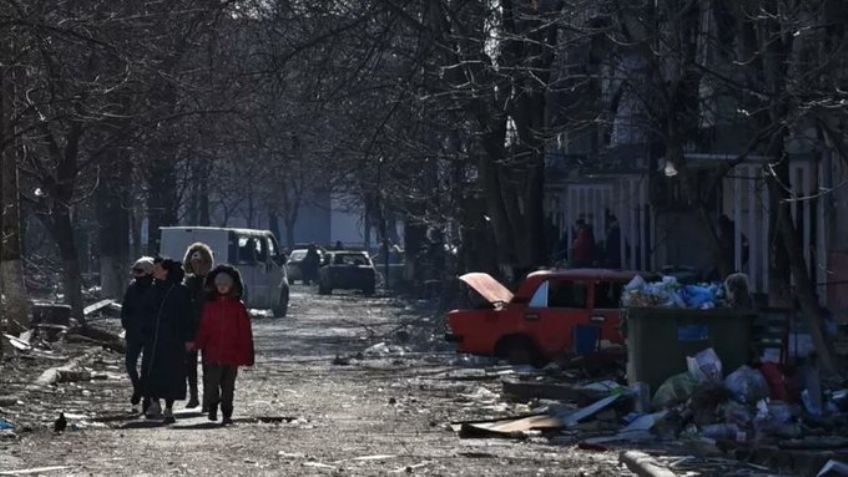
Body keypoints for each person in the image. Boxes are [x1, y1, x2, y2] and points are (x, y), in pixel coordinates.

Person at [192, 265, 255, 426]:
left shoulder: (238, 308)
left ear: (231, 286)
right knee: (212, 384)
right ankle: (213, 406)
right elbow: (204, 329)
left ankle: (227, 413)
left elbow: (245, 333)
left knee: (228, 388)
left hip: (231, 355)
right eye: (219, 285)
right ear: (214, 286)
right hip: (213, 354)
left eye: (225, 285)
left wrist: (248, 355)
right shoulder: (210, 307)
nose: (222, 288)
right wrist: (197, 344)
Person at [140, 257, 193, 424]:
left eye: (157, 267)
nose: (154, 270)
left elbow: (188, 317)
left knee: (172, 374)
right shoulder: (151, 289)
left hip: (173, 340)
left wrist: (189, 338)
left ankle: (169, 407)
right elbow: (144, 313)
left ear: (166, 271)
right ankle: (154, 403)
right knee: (152, 371)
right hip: (154, 340)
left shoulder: (180, 291)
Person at [182, 243, 215, 410]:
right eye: (195, 262)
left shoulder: (213, 283)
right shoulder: (187, 283)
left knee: (209, 365)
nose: (198, 265)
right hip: (191, 329)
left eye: (201, 262)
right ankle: (193, 395)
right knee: (190, 364)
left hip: (209, 330)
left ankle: (208, 399)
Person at [120, 257, 155, 413]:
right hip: (133, 332)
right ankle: (138, 388)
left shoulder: (155, 289)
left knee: (147, 369)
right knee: (130, 364)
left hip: (149, 334)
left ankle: (147, 398)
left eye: (139, 271)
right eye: (135, 271)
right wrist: (126, 322)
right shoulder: (132, 288)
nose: (136, 275)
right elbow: (125, 307)